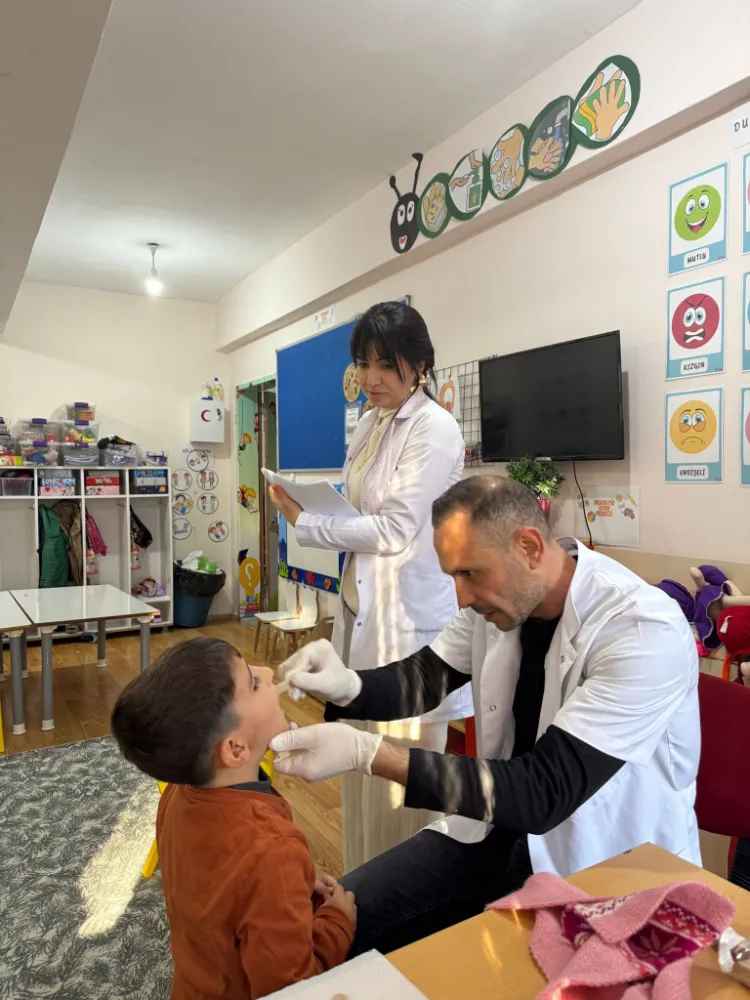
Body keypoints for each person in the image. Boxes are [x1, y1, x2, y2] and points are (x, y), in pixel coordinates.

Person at [271, 476, 701, 956]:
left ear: (529, 547)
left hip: (602, 862)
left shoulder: (641, 630)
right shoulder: (501, 601)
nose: (461, 597)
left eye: (470, 574)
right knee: (330, 930)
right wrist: (349, 685)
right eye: (453, 576)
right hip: (497, 829)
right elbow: (424, 679)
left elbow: (544, 792)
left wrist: (370, 755)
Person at [268, 300, 471, 871]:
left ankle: (404, 893)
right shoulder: (371, 422)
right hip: (361, 607)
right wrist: (314, 504)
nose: (370, 378)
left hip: (408, 620)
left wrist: (307, 523)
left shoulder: (434, 428)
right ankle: (361, 881)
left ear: (420, 365)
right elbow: (361, 507)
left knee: (403, 776)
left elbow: (395, 528)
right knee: (359, 756)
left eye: (386, 364)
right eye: (363, 363)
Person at [111, 638, 355, 1000]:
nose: (268, 672)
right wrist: (337, 922)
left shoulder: (177, 795)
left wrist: (290, 885)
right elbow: (291, 990)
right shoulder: (272, 853)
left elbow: (224, 889)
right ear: (236, 748)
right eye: (253, 683)